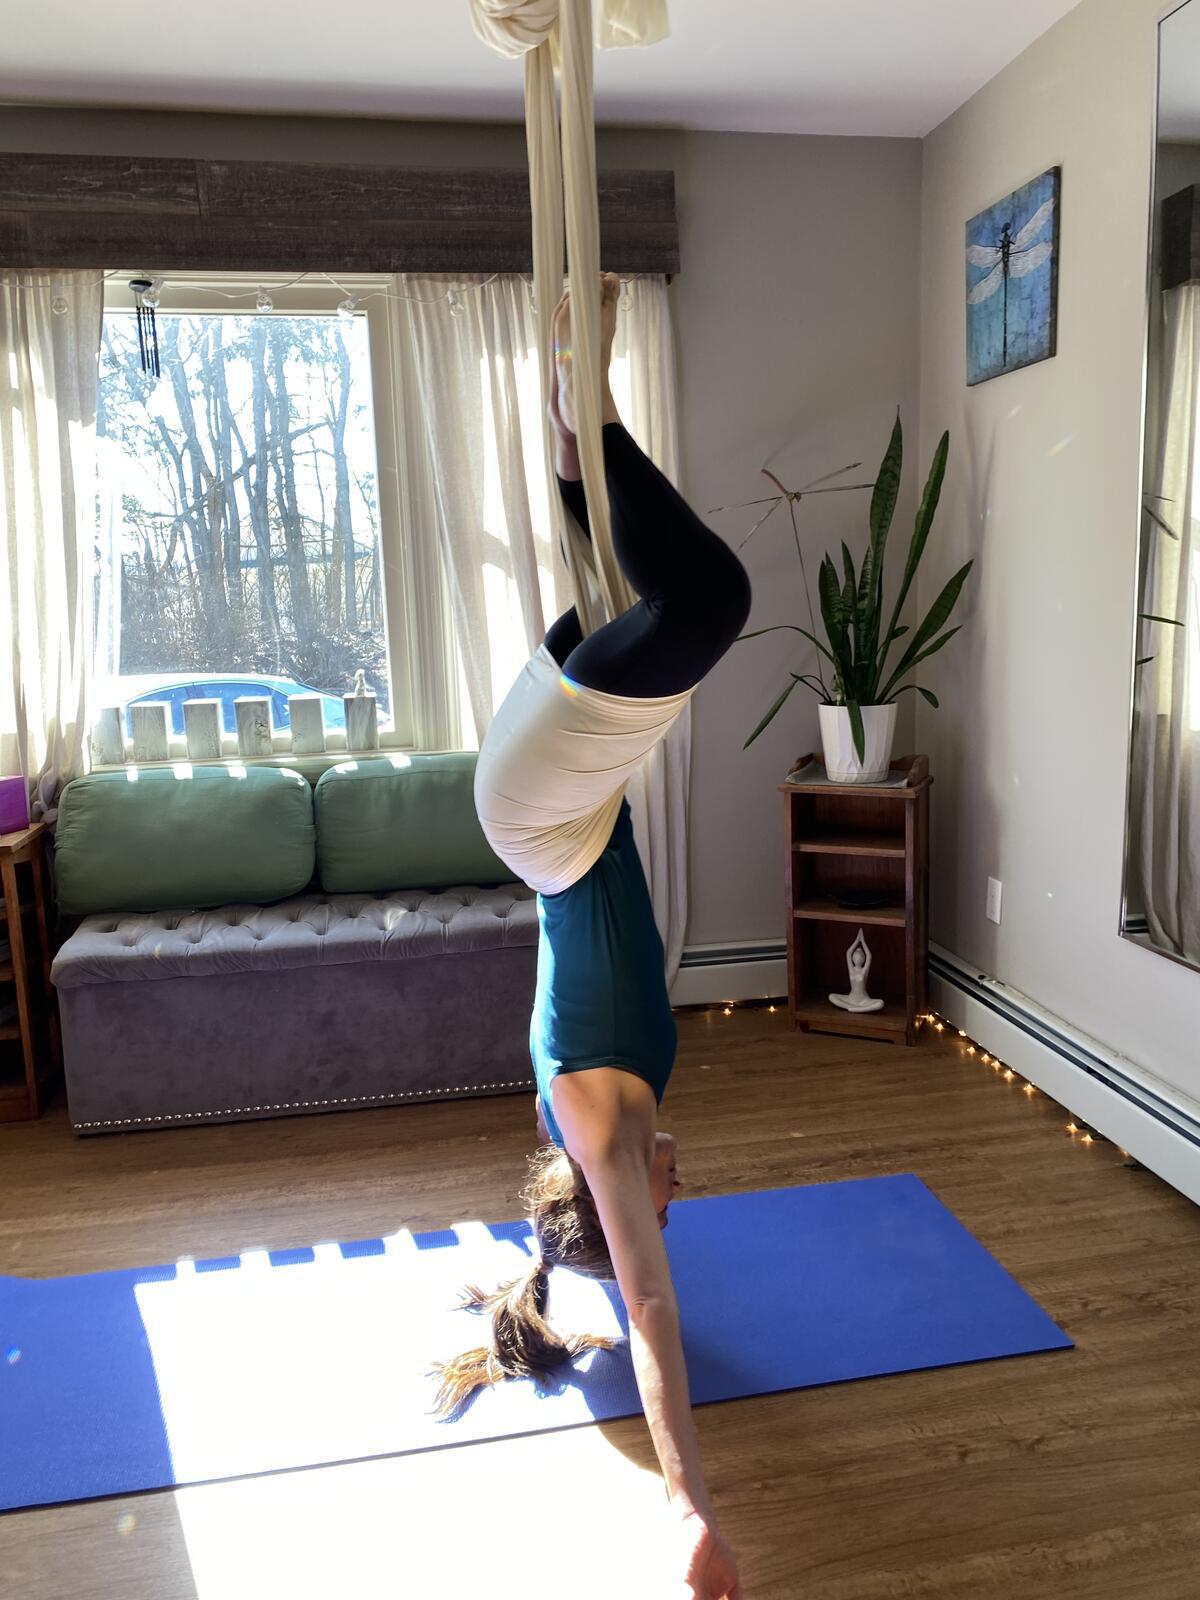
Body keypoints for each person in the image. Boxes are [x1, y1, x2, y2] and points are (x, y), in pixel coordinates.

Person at [441, 273, 750, 1600]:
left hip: (546, 816)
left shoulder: (602, 1129)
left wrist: (688, 1508)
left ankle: (589, 399)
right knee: (623, 585)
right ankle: (578, 423)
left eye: (660, 1213)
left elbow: (654, 1311)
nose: (677, 1199)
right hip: (561, 816)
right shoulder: (599, 1102)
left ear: (613, 1201)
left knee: (712, 598)